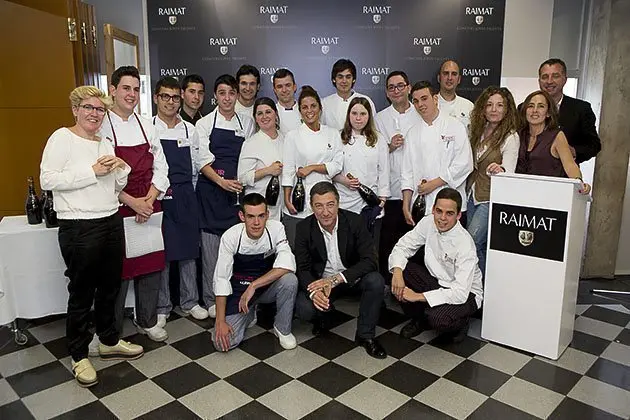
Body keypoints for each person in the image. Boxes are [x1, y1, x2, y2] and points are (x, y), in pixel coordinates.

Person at [41, 86, 144, 387]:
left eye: (100, 110)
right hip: (79, 225)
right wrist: (92, 171)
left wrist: (120, 170)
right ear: (75, 109)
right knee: (82, 292)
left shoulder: (105, 143)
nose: (94, 114)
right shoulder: (62, 138)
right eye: (88, 108)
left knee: (110, 287)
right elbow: (48, 179)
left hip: (110, 219)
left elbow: (112, 186)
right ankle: (78, 355)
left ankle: (108, 341)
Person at [100, 66, 170, 343]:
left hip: (150, 203)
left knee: (151, 265)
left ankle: (148, 320)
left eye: (135, 89)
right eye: (125, 88)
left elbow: (161, 166)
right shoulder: (102, 125)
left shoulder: (146, 124)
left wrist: (150, 200)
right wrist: (132, 202)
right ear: (113, 90)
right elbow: (104, 175)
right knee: (119, 272)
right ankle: (111, 330)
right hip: (119, 206)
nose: (131, 94)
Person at [294, 182, 387, 359]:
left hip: (350, 278)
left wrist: (337, 279)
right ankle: (324, 316)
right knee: (304, 307)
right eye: (319, 206)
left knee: (376, 281)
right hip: (323, 282)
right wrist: (315, 293)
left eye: (330, 205)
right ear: (311, 207)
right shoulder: (304, 228)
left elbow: (370, 260)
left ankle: (365, 336)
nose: (325, 212)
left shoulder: (355, 221)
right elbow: (303, 268)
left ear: (338, 203)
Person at [195, 74, 256, 318]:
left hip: (236, 196)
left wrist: (238, 183)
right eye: (222, 93)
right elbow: (202, 161)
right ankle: (210, 299)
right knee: (211, 249)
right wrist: (221, 182)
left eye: (231, 93)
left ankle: (234, 295)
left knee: (235, 248)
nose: (227, 98)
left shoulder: (247, 123)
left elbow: (250, 155)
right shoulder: (205, 124)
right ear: (215, 96)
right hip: (211, 193)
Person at [389, 188, 483, 343]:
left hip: (467, 294)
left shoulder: (465, 244)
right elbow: (402, 247)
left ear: (459, 215)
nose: (442, 218)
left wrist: (418, 297)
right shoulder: (428, 222)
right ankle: (420, 318)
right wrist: (397, 273)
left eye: (449, 213)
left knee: (438, 319)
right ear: (433, 210)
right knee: (399, 269)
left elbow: (459, 293)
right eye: (439, 211)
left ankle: (461, 321)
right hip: (437, 282)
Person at [151, 77, 208, 325]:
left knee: (188, 252)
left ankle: (190, 302)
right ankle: (163, 306)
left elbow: (197, 166)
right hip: (160, 196)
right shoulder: (149, 128)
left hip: (186, 195)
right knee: (161, 253)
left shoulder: (190, 130)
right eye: (165, 96)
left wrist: (189, 194)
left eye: (175, 97)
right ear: (156, 98)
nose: (171, 102)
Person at [212, 193, 298, 351]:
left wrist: (254, 285)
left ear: (267, 215)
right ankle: (249, 312)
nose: (256, 223)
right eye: (250, 216)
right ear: (242, 216)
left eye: (261, 216)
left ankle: (282, 329)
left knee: (290, 280)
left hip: (265, 286)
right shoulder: (230, 237)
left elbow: (287, 263)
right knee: (222, 343)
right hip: (239, 290)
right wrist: (220, 320)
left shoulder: (277, 228)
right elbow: (221, 279)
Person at [402, 81, 473, 227]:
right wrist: (405, 204)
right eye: (415, 101)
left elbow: (464, 164)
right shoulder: (412, 133)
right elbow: (407, 173)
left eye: (424, 98)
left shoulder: (455, 126)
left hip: (450, 208)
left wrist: (434, 184)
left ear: (435, 99)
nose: (420, 104)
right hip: (421, 208)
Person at [466, 86, 519, 277]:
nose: (494, 109)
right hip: (471, 194)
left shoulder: (510, 136)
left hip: (491, 198)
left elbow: (509, 169)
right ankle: (479, 286)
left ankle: (485, 287)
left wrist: (501, 169)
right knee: (475, 244)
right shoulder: (477, 132)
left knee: (472, 240)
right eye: (489, 105)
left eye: (499, 105)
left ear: (507, 109)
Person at [281, 86, 343, 248]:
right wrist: (287, 200)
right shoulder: (292, 136)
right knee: (298, 251)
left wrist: (312, 167)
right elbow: (288, 171)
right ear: (300, 111)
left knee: (323, 252)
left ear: (320, 108)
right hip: (300, 201)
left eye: (313, 106)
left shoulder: (333, 133)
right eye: (304, 107)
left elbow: (337, 165)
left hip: (325, 203)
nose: (309, 110)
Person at [375, 70, 421, 279]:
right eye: (392, 87)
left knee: (416, 239)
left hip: (419, 189)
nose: (396, 90)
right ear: (386, 92)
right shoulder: (380, 118)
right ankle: (388, 282)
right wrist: (389, 146)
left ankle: (414, 281)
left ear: (408, 87)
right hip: (392, 190)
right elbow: (373, 151)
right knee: (390, 239)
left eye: (400, 85)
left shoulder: (420, 113)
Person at [333, 96, 390, 246]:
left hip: (371, 204)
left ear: (369, 116)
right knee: (347, 249)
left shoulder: (379, 139)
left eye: (363, 114)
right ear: (348, 115)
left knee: (370, 250)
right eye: (354, 113)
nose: (358, 118)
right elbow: (331, 171)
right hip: (345, 203)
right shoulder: (338, 138)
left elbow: (384, 172)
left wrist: (381, 203)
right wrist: (344, 180)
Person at [516, 90, 592, 195]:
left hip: (549, 197)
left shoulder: (557, 136)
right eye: (530, 106)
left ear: (548, 113)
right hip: (519, 195)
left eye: (541, 106)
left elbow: (570, 165)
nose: (535, 110)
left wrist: (579, 182)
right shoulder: (517, 135)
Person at [537, 58, 601, 163]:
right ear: (539, 81)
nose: (549, 81)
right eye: (545, 77)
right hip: (529, 174)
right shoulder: (525, 108)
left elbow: (594, 145)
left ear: (564, 79)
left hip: (565, 174)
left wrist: (573, 151)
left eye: (555, 76)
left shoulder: (581, 109)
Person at [238, 97, 285, 221]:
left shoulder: (286, 139)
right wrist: (268, 171)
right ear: (256, 119)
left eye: (268, 112)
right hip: (258, 208)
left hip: (284, 208)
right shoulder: (251, 143)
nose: (264, 116)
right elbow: (242, 178)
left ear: (276, 114)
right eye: (260, 113)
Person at [321, 59, 377, 130]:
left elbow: (372, 128)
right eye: (340, 77)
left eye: (348, 77)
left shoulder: (366, 101)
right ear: (334, 79)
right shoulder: (325, 103)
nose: (344, 81)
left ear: (353, 79)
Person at [437, 60, 474, 130]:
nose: (449, 78)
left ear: (459, 79)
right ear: (439, 78)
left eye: (454, 74)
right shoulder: (431, 105)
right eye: (445, 73)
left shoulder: (469, 106)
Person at [272, 68, 301, 134]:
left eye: (288, 85)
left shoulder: (306, 111)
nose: (284, 90)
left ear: (294, 87)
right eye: (279, 86)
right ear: (275, 90)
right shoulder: (271, 114)